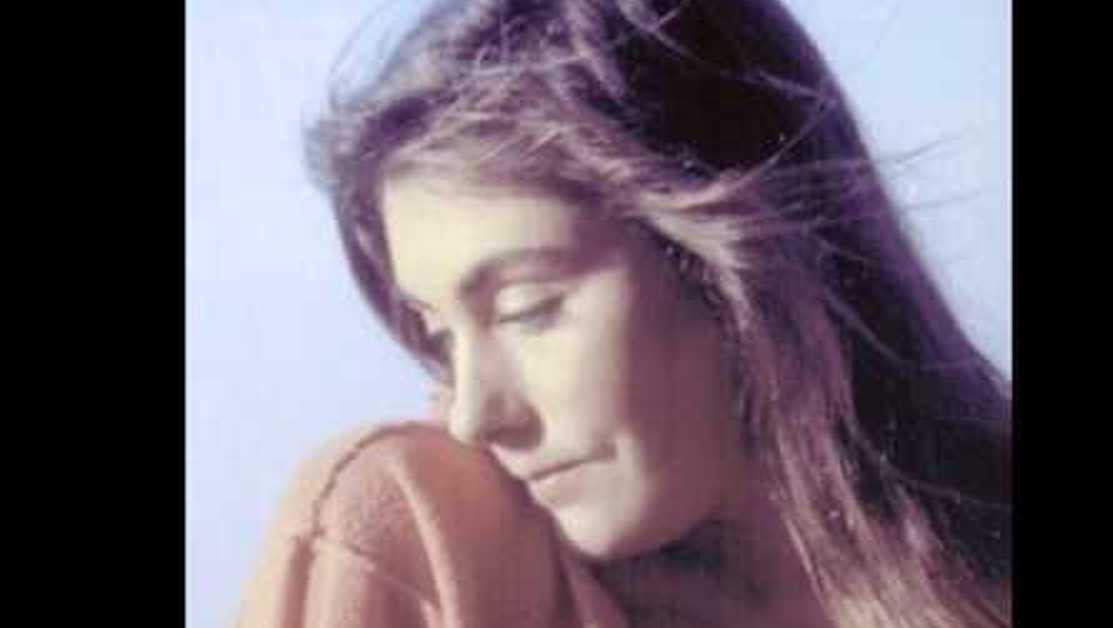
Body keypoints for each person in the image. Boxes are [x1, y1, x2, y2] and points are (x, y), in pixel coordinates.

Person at [236, 0, 1012, 626]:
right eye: (438, 335)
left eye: (526, 310)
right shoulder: (419, 539)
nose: (473, 415)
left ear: (740, 267)